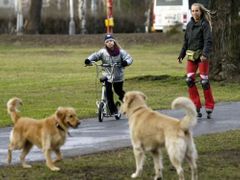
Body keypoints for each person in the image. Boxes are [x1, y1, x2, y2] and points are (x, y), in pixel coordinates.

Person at [177, 3, 215, 119]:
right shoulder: (189, 25)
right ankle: (195, 105)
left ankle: (209, 105)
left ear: (201, 11)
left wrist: (205, 54)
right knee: (189, 80)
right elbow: (186, 42)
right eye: (193, 11)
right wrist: (181, 54)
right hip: (191, 56)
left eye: (197, 11)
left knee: (204, 81)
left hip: (202, 56)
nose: (194, 13)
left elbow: (208, 41)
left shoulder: (205, 24)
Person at [85, 34, 133, 115]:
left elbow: (129, 58)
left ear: (114, 41)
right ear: (105, 43)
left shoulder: (120, 52)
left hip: (118, 75)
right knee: (108, 92)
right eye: (107, 41)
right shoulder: (103, 52)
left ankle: (129, 104)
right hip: (107, 75)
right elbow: (95, 56)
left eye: (111, 41)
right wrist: (88, 60)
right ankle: (113, 110)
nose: (109, 43)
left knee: (118, 91)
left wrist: (125, 62)